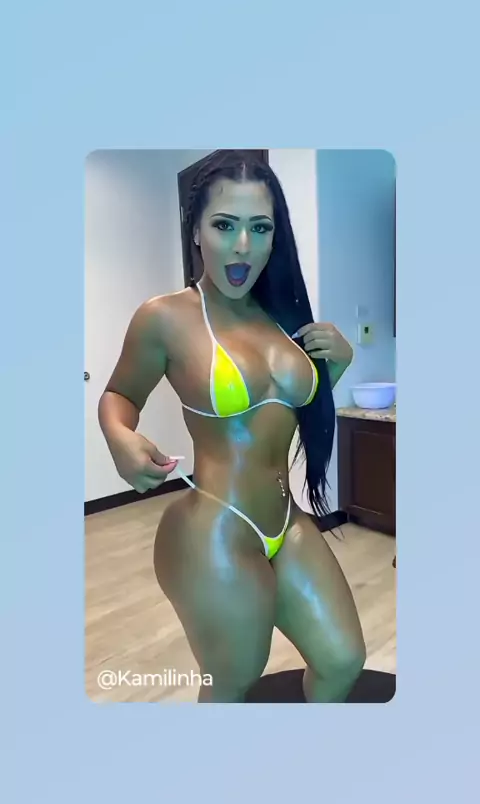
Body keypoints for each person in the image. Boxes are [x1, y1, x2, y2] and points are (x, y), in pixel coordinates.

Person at [98, 150, 366, 702]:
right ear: (196, 230)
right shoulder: (166, 317)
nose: (243, 244)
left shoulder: (284, 319)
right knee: (233, 679)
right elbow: (120, 395)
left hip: (287, 520)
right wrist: (120, 437)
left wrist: (336, 366)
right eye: (224, 225)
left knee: (343, 660)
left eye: (260, 228)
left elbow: (286, 410)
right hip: (217, 527)